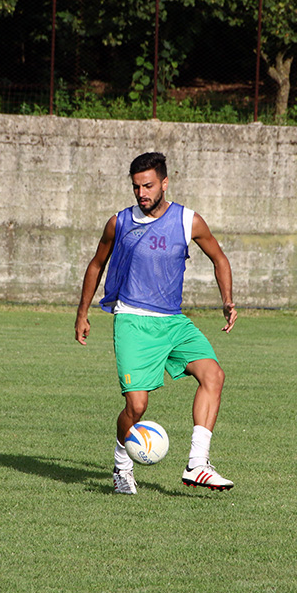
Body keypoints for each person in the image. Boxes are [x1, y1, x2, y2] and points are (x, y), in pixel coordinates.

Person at [75, 152, 237, 495]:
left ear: (165, 182)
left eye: (148, 185)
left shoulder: (188, 220)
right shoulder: (119, 222)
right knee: (137, 406)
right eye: (136, 187)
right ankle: (121, 466)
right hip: (133, 320)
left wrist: (227, 300)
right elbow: (95, 264)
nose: (141, 193)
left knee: (214, 375)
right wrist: (82, 313)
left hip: (173, 322)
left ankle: (197, 464)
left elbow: (219, 258)